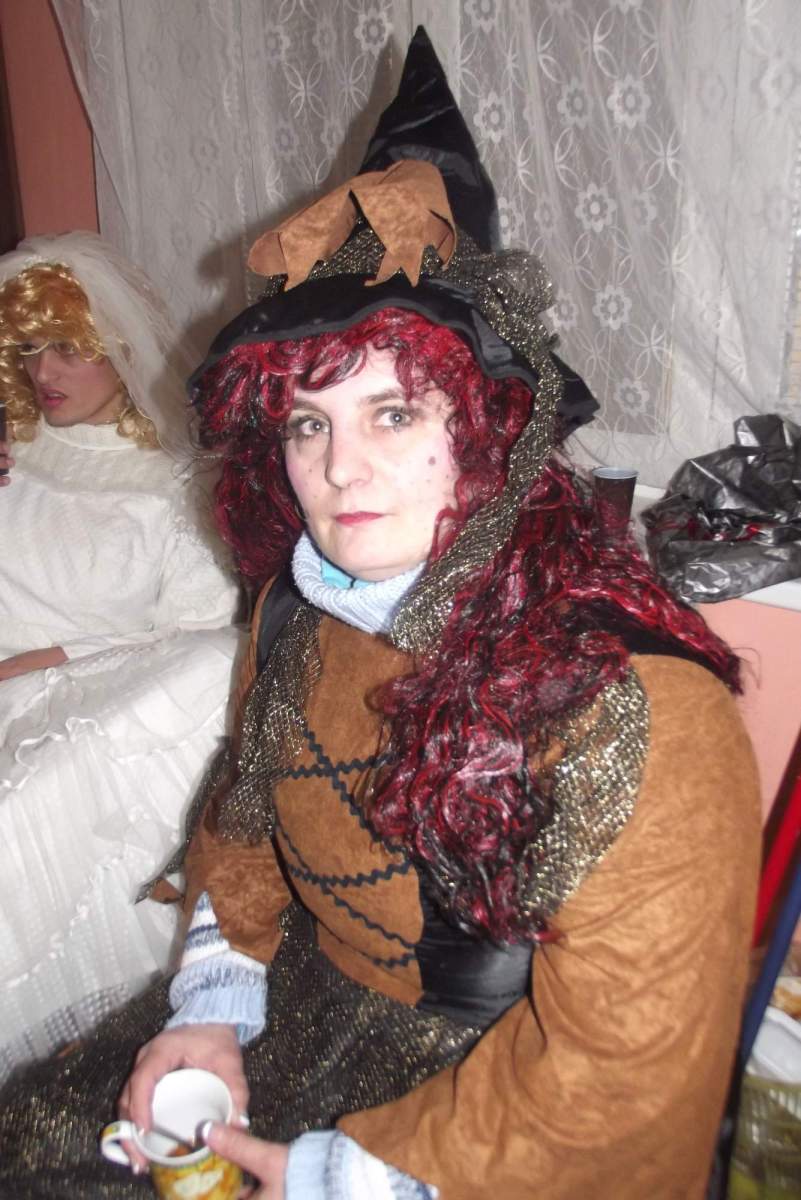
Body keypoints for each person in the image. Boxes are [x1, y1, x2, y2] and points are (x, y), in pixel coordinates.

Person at [0, 31, 759, 1200]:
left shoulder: (632, 703)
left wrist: (337, 1174)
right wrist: (211, 1008)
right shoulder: (298, 611)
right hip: (307, 1005)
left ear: (491, 432)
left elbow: (623, 1084)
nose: (339, 469)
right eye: (310, 424)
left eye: (394, 414)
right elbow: (244, 821)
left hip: (491, 1103)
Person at [0, 232, 242, 1081]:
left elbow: (205, 628)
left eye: (68, 349)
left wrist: (52, 656)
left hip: (86, 701)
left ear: (122, 350)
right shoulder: (12, 456)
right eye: (29, 349)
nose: (44, 371)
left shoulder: (173, 486)